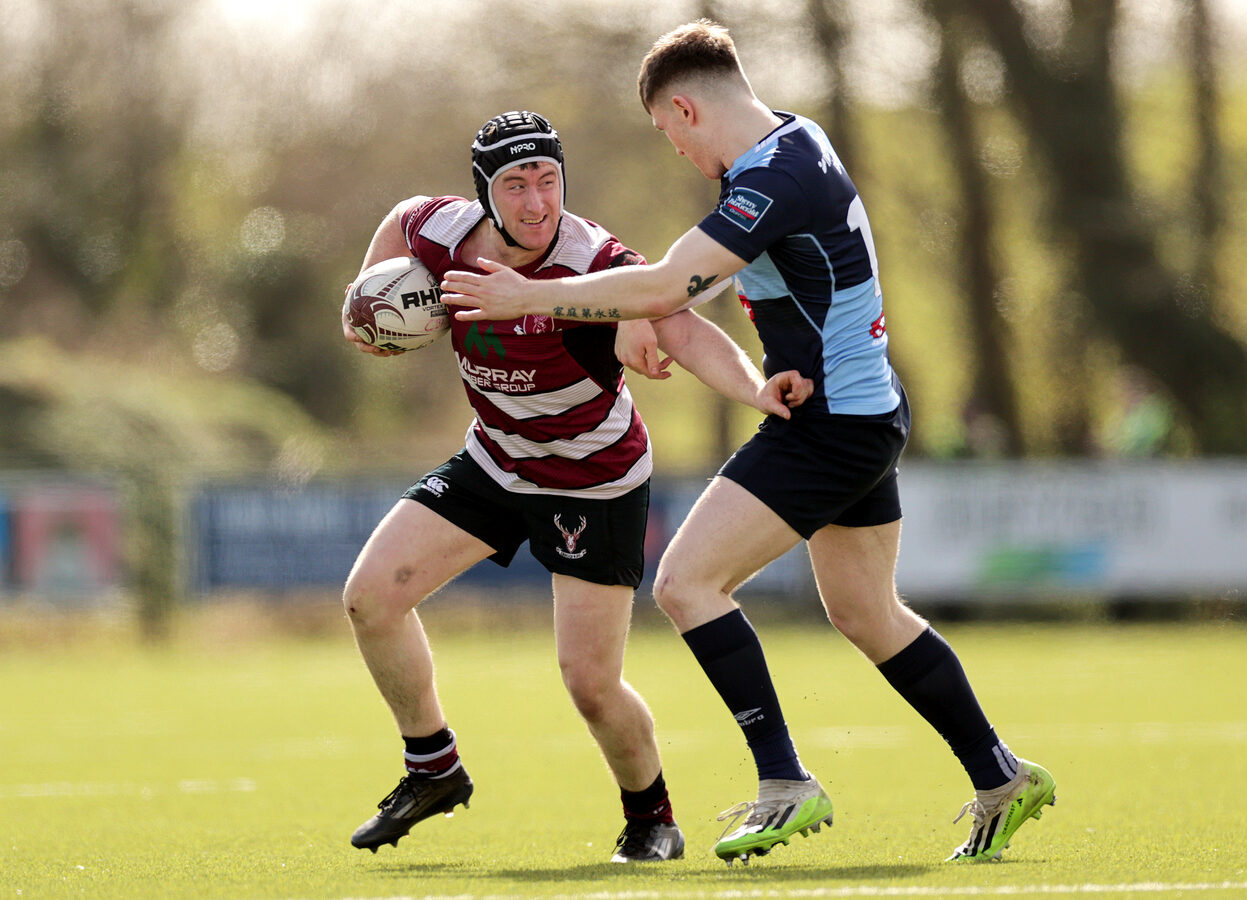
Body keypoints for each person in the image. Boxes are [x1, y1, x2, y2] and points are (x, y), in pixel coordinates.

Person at [442, 24, 1057, 865]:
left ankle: (784, 781)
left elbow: (668, 280)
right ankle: (1000, 774)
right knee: (865, 612)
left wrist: (531, 299)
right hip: (860, 410)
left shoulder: (773, 180)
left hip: (832, 425)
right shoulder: (794, 143)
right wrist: (650, 315)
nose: (676, 151)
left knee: (686, 582)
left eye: (669, 132)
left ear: (686, 109)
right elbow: (710, 276)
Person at [340, 109, 812, 864]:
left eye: (548, 180)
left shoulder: (595, 262)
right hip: (496, 460)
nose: (536, 203)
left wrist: (755, 390)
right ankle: (432, 766)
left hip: (594, 481)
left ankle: (652, 818)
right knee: (371, 598)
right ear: (484, 193)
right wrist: (369, 305)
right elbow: (400, 220)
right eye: (515, 185)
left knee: (590, 683)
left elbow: (682, 327)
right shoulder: (441, 233)